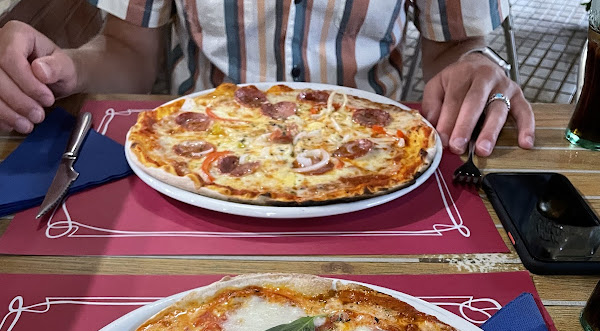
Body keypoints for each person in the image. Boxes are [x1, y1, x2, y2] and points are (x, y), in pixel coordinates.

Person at [0, 0, 534, 156]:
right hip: (200, 154)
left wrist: (481, 67)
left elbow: (456, 49)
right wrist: (62, 69)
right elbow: (127, 52)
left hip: (372, 152)